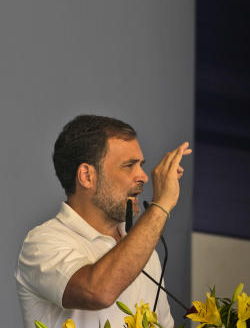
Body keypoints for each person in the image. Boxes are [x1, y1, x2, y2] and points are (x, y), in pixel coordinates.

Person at [17, 115, 191, 328]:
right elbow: (98, 292)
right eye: (129, 166)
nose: (143, 177)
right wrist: (160, 205)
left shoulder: (145, 252)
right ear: (87, 176)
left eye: (141, 165)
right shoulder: (42, 242)